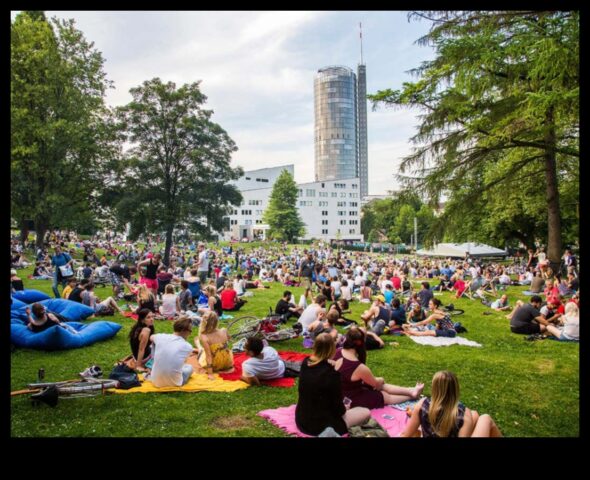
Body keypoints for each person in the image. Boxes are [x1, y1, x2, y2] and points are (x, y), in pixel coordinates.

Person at [295, 333, 371, 436]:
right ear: (332, 349)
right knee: (365, 412)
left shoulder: (305, 362)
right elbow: (338, 409)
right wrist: (345, 407)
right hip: (322, 426)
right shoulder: (332, 375)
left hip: (301, 420)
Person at [333, 327, 424, 409]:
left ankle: (411, 391)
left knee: (381, 386)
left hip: (339, 392)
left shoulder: (338, 351)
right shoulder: (358, 366)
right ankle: (411, 396)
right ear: (360, 343)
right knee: (384, 395)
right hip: (349, 398)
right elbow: (376, 384)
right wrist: (381, 379)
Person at [401, 370, 502, 437]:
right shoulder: (463, 413)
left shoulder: (422, 404)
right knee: (485, 418)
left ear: (434, 388)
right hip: (458, 421)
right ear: (455, 389)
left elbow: (406, 435)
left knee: (474, 414)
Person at [148, 316, 195, 387]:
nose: (190, 334)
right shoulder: (187, 346)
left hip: (155, 381)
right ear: (184, 330)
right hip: (175, 383)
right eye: (190, 331)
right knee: (189, 367)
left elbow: (151, 337)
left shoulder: (160, 337)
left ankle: (152, 365)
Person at [196, 311, 233, 379]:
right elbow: (229, 339)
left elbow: (208, 356)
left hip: (215, 365)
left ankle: (198, 345)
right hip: (227, 363)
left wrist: (210, 374)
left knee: (202, 352)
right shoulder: (224, 330)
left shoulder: (204, 336)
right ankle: (198, 345)